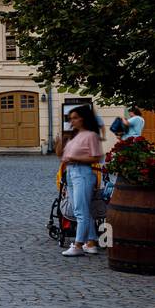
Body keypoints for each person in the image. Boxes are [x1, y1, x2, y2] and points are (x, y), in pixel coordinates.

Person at [57, 105, 104, 257]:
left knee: (80, 210)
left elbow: (97, 157)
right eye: (71, 118)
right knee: (82, 209)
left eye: (75, 117)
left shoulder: (91, 135)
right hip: (71, 173)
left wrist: (75, 158)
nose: (72, 121)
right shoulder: (76, 135)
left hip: (82, 173)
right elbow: (62, 155)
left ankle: (77, 245)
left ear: (83, 118)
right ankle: (91, 242)